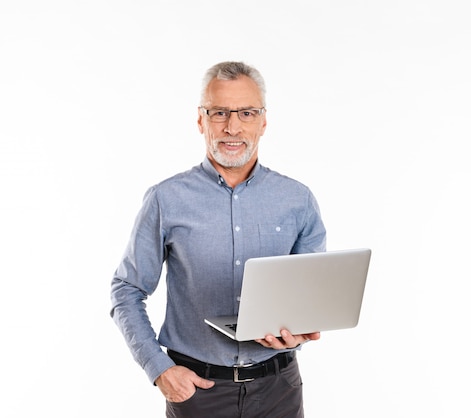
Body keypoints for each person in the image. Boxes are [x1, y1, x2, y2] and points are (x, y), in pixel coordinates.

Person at [110, 61, 327, 417]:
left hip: (279, 392)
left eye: (246, 112)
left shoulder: (298, 200)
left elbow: (309, 300)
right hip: (198, 394)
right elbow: (126, 290)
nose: (232, 126)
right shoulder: (166, 199)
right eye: (219, 113)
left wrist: (300, 332)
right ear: (200, 120)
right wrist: (158, 368)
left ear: (263, 121)